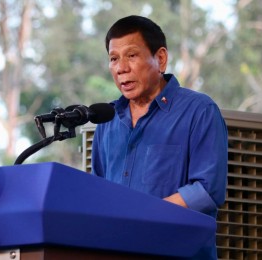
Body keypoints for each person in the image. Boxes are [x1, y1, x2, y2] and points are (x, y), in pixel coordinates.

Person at [91, 15, 228, 259]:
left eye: (131, 56)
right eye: (113, 59)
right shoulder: (107, 120)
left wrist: (143, 216)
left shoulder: (199, 111)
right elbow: (98, 192)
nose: (121, 67)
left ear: (160, 58)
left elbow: (207, 191)